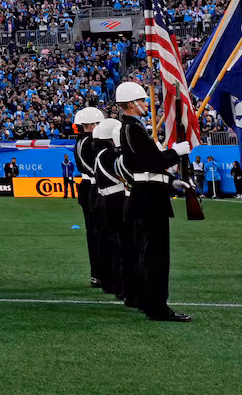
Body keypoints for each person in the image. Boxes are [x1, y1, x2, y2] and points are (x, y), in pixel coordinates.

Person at [113, 81, 189, 321]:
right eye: (143, 100)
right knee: (156, 256)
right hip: (149, 199)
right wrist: (175, 152)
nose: (146, 104)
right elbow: (151, 162)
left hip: (148, 194)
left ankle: (149, 301)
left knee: (149, 254)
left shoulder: (132, 128)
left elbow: (147, 166)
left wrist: (169, 182)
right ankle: (157, 307)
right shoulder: (131, 128)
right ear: (132, 104)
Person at [88, 113, 126, 303]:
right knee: (120, 245)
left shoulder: (101, 153)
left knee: (109, 244)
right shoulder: (112, 154)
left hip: (103, 199)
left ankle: (111, 283)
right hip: (116, 200)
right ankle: (121, 286)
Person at [71, 107, 105, 289]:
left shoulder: (81, 141)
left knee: (95, 233)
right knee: (99, 233)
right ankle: (101, 274)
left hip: (88, 187)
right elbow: (93, 167)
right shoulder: (89, 142)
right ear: (92, 125)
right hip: (93, 187)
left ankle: (98, 274)